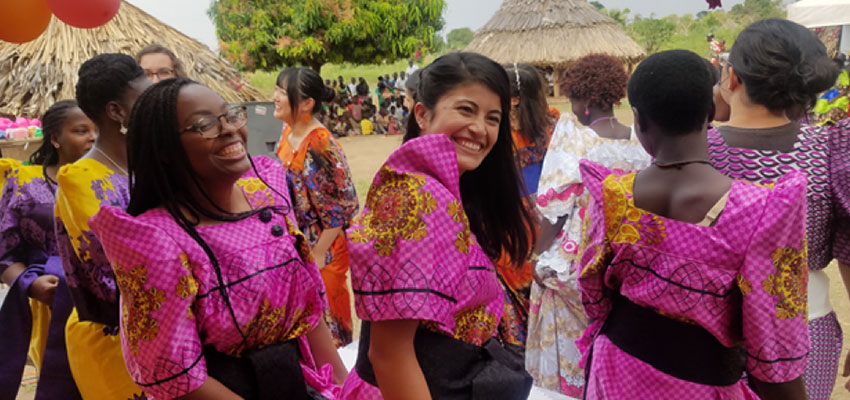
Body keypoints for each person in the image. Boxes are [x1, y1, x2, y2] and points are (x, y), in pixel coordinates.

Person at [89, 78, 346, 399]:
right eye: (203, 125)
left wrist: (347, 389)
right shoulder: (156, 238)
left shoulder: (263, 192)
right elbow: (173, 373)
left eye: (230, 116)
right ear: (165, 150)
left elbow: (308, 314)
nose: (227, 129)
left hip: (293, 382)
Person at [579, 49, 809, 399]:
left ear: (638, 121)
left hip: (617, 368)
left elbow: (593, 294)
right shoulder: (760, 210)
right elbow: (775, 335)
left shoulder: (613, 195)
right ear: (710, 113)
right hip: (702, 383)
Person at [340, 52, 535, 400]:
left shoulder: (448, 192)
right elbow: (388, 354)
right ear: (422, 114)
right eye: (466, 110)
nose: (480, 128)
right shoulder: (415, 197)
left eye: (493, 118)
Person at [708, 19, 844, 400]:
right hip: (807, 327)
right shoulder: (828, 150)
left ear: (732, 78)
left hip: (710, 331)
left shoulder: (697, 152)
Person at [525, 53, 650, 397]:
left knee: (568, 359)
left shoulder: (573, 137)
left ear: (585, 101)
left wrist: (536, 257)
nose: (572, 105)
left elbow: (556, 210)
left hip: (575, 262)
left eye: (573, 97)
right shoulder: (640, 141)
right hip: (623, 261)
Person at [54, 53, 151, 399]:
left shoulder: (153, 164)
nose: (157, 105)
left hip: (171, 331)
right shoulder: (80, 180)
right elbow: (114, 269)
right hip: (115, 340)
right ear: (116, 112)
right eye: (146, 97)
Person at [0, 100, 96, 400]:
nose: (93, 137)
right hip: (51, 304)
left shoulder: (115, 179)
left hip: (107, 306)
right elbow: (4, 251)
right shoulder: (23, 182)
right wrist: (30, 284)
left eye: (97, 130)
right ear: (55, 138)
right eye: (81, 130)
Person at [274, 67, 359, 348]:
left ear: (307, 103)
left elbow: (344, 204)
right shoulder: (287, 133)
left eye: (281, 92)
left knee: (329, 321)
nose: (274, 97)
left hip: (324, 247)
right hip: (298, 243)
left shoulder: (321, 144)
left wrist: (318, 251)